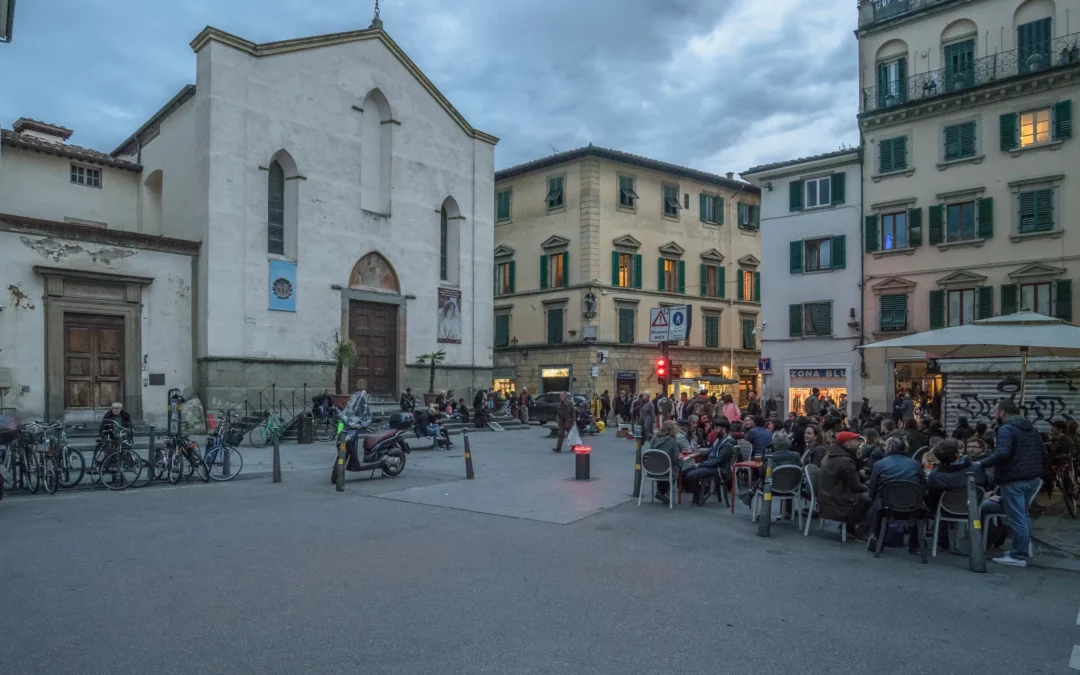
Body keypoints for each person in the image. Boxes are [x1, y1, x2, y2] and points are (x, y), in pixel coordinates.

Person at [975, 400, 1046, 567]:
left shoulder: (1006, 429)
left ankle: (1017, 555)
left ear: (1002, 413)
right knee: (1023, 515)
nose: (993, 415)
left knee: (1017, 517)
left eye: (994, 412)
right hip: (1032, 479)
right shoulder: (1031, 428)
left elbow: (1002, 453)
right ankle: (1020, 550)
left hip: (1014, 479)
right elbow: (1043, 452)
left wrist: (981, 463)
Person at [865, 436, 927, 553]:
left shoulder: (879, 464)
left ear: (888, 448)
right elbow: (924, 486)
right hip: (913, 506)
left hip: (886, 506)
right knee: (920, 505)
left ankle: (876, 536)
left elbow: (872, 489)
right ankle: (915, 545)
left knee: (878, 502)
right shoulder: (916, 464)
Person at [818, 431, 871, 538]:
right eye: (855, 441)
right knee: (869, 498)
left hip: (826, 496)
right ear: (847, 444)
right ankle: (861, 530)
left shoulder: (831, 454)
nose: (858, 443)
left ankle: (850, 528)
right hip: (838, 501)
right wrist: (871, 487)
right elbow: (856, 487)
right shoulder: (846, 461)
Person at [683, 419, 738, 505]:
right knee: (685, 472)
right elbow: (711, 451)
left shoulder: (728, 444)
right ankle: (700, 492)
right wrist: (698, 450)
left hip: (719, 469)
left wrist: (701, 464)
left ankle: (700, 493)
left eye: (716, 428)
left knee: (690, 475)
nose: (714, 430)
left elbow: (718, 461)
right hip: (711, 465)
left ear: (723, 429)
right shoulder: (718, 440)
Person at [926, 438, 987, 513]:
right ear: (958, 453)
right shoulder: (977, 469)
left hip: (945, 510)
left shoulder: (935, 476)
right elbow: (985, 485)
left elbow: (931, 500)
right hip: (975, 508)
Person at [649, 420, 684, 504]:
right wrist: (682, 462)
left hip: (651, 470)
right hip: (665, 471)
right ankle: (662, 491)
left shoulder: (654, 439)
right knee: (676, 468)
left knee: (662, 464)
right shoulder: (672, 441)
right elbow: (675, 459)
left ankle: (660, 491)